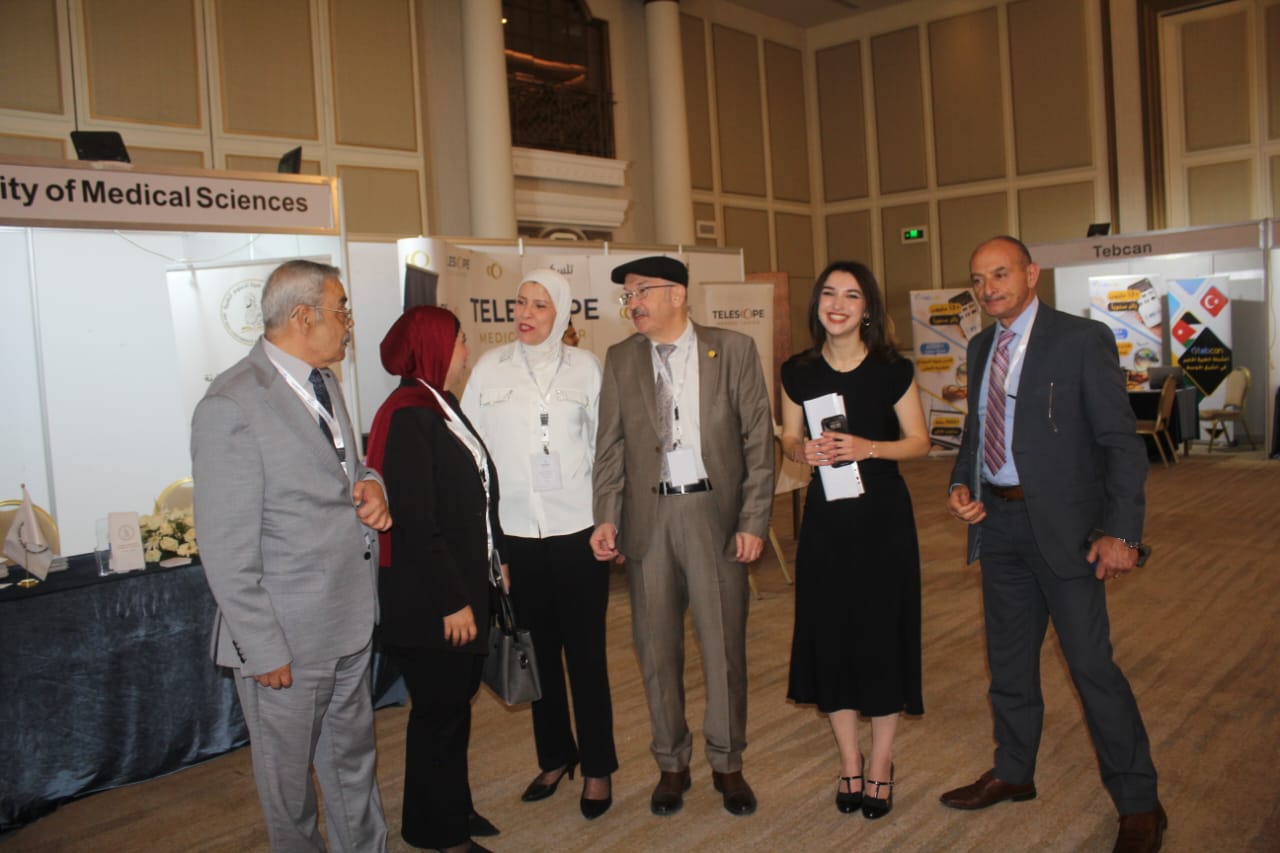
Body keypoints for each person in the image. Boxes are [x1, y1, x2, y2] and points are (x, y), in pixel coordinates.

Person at [943, 236, 1165, 853]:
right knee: (1009, 665)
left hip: (1067, 534)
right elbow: (976, 434)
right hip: (999, 528)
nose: (988, 288)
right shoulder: (981, 346)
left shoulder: (1080, 339)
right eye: (978, 279)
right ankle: (1014, 771)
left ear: (1031, 273)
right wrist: (962, 484)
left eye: (1000, 274)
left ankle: (1139, 802)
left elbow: (1120, 443)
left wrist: (1122, 532)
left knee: (1092, 668)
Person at [191, 259, 390, 852]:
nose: (349, 323)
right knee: (290, 795)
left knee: (354, 768)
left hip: (348, 620)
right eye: (342, 310)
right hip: (286, 639)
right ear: (304, 316)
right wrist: (263, 648)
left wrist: (373, 484)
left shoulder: (324, 383)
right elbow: (225, 548)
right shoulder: (231, 404)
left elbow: (350, 471)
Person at [590, 255, 774, 817]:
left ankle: (728, 762)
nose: (633, 304)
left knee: (723, 649)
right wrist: (606, 515)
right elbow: (610, 447)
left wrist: (753, 521)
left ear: (677, 294)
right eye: (627, 296)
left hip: (713, 517)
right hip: (649, 520)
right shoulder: (621, 358)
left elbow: (758, 444)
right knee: (656, 651)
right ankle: (671, 763)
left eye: (641, 291)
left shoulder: (732, 349)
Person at [461, 270, 618, 819]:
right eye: (521, 303)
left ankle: (597, 767)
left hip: (579, 533)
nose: (526, 314)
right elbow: (472, 458)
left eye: (540, 306)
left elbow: (607, 453)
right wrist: (490, 547)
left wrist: (610, 521)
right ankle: (554, 757)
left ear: (563, 312)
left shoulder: (587, 369)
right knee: (537, 655)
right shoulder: (489, 369)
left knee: (587, 656)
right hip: (517, 538)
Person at [779, 261, 929, 821]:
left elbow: (919, 442)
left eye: (851, 295)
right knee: (831, 634)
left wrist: (868, 447)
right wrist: (799, 450)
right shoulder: (797, 372)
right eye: (828, 294)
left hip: (883, 521)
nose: (837, 304)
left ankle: (882, 760)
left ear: (868, 309)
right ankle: (849, 758)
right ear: (816, 303)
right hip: (827, 521)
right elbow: (789, 436)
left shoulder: (893, 370)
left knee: (882, 634)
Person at [365, 307, 506, 853]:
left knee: (451, 713)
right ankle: (440, 835)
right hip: (432, 603)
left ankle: (451, 809)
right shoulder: (409, 416)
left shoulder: (438, 406)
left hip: (461, 587)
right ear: (434, 347)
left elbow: (477, 495)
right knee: (439, 718)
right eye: (461, 340)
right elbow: (417, 522)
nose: (467, 350)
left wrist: (495, 560)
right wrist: (452, 601)